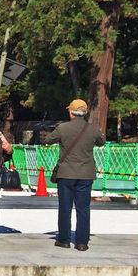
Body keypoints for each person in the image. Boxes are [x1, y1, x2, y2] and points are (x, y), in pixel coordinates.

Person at [46, 99, 105, 251]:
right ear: (85, 113)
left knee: (65, 208)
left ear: (71, 112)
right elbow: (101, 142)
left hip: (66, 173)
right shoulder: (93, 129)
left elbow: (47, 139)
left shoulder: (63, 128)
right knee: (83, 208)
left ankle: (64, 239)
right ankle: (82, 242)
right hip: (86, 174)